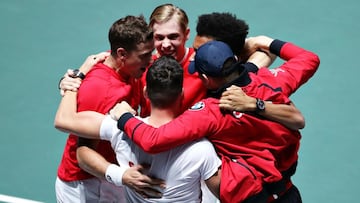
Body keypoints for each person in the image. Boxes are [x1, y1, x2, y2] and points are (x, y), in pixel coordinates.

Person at [110, 37, 320, 202]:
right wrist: (266, 42)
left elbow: (152, 140)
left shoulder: (210, 112)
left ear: (205, 79)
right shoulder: (273, 81)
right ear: (236, 62)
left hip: (250, 197)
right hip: (288, 194)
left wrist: (125, 116)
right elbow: (309, 59)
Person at [55, 55, 222, 202]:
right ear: (182, 94)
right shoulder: (202, 150)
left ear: (145, 93)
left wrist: (76, 76)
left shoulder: (119, 130)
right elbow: (226, 195)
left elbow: (67, 126)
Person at [54, 15, 155, 202]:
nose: (151, 60)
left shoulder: (130, 66)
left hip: (109, 173)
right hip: (86, 184)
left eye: (151, 52)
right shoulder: (100, 90)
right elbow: (83, 153)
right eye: (144, 56)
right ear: (122, 54)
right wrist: (121, 176)